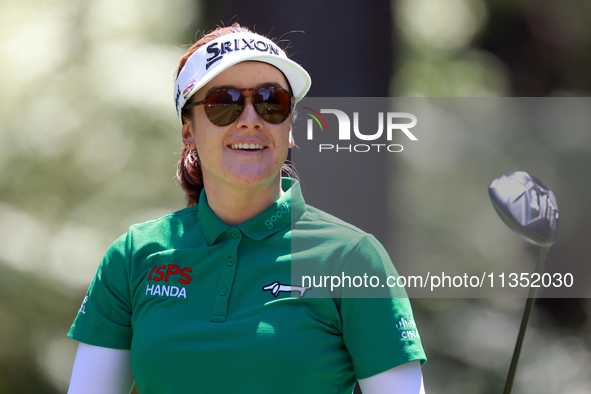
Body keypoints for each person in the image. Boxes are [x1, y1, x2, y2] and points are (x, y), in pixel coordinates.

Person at [67, 23, 427, 394]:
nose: (250, 118)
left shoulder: (353, 259)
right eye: (224, 102)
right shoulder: (132, 257)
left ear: (289, 128)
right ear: (188, 129)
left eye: (273, 101)